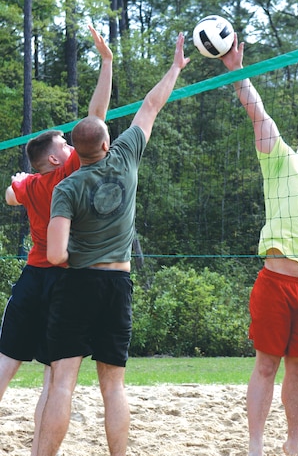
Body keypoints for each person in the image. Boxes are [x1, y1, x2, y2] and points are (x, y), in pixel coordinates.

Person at [38, 33, 190, 456]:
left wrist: (76, 257)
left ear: (76, 150)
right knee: (113, 387)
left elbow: (54, 255)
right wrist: (176, 66)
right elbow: (151, 104)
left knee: (63, 383)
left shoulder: (66, 186)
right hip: (117, 285)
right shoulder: (125, 158)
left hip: (78, 284)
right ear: (106, 144)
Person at [1, 25, 113, 455]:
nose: (72, 143)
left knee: (5, 365)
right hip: (64, 281)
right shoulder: (67, 174)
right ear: (55, 158)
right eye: (65, 143)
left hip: (32, 278)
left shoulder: (31, 186)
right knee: (53, 378)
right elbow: (96, 118)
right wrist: (105, 63)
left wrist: (20, 179)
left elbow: (11, 194)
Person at [221, 34, 298, 456]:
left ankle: (295, 443)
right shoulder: (281, 159)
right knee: (266, 365)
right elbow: (258, 112)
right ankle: (255, 444)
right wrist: (238, 71)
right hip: (275, 280)